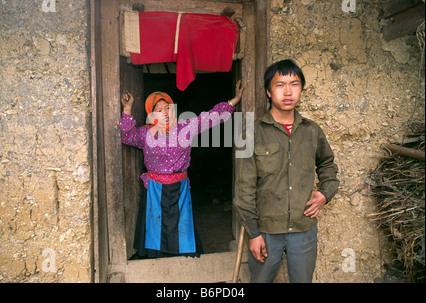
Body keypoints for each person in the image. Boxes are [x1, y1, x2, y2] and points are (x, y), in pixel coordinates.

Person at [234, 59, 339, 282]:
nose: (288, 91)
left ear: (301, 89)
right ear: (268, 92)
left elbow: (328, 165)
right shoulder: (250, 135)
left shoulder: (312, 131)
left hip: (303, 229)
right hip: (266, 232)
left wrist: (324, 193)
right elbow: (244, 190)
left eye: (295, 84)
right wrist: (254, 234)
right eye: (280, 85)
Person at [119, 81, 244, 258]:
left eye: (167, 108)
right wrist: (127, 108)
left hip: (180, 189)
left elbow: (210, 117)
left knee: (182, 230)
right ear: (151, 113)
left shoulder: (185, 128)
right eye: (159, 110)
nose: (165, 113)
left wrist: (234, 100)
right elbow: (126, 135)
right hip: (155, 189)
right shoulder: (145, 134)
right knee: (157, 231)